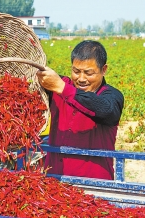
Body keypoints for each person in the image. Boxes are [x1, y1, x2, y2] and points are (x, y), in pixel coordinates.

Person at [36, 40, 124, 180]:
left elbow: (106, 110)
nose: (81, 79)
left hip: (94, 184)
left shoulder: (111, 95)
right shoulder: (59, 86)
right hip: (54, 180)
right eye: (76, 71)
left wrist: (62, 88)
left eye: (89, 73)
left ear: (104, 70)